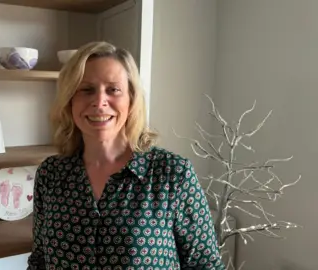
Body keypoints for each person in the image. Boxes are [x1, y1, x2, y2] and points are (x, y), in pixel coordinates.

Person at [27, 41, 224, 269]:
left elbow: (205, 265)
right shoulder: (51, 174)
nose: (99, 102)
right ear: (70, 101)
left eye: (113, 89)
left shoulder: (172, 174)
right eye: (86, 89)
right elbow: (40, 259)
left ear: (131, 100)